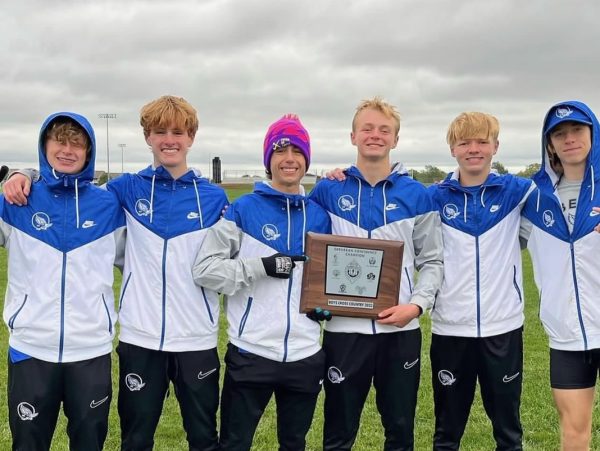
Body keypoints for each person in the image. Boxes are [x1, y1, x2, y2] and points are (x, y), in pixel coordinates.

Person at [4, 95, 229, 450]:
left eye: (177, 132)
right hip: (138, 338)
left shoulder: (215, 199)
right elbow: (64, 185)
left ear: (191, 138)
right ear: (147, 137)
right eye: (159, 131)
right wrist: (23, 173)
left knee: (203, 437)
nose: (169, 139)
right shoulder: (121, 192)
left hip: (196, 338)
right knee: (134, 440)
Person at [309, 97, 444, 450]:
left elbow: (432, 260)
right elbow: (310, 254)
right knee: (338, 431)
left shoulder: (418, 194)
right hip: (343, 331)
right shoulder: (327, 190)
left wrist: (415, 307)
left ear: (395, 140)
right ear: (353, 136)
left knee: (399, 431)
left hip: (399, 331)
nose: (375, 135)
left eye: (384, 130)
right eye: (367, 128)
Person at [192, 115, 331, 450]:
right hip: (251, 351)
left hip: (306, 353)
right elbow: (205, 270)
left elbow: (330, 278)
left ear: (306, 160)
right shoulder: (242, 210)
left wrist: (328, 308)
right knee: (235, 443)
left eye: (298, 151)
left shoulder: (320, 215)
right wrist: (260, 267)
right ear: (268, 158)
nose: (289, 158)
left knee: (294, 443)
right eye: (281, 150)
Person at [0, 113, 125, 450]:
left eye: (77, 143)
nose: (67, 150)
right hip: (31, 349)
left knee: (88, 442)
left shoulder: (109, 205)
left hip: (90, 351)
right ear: (45, 146)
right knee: (28, 444)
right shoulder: (16, 200)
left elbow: (143, 261)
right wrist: (16, 174)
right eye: (59, 141)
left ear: (89, 152)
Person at [428, 112, 535, 450]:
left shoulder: (519, 191)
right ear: (452, 149)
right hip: (450, 330)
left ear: (496, 146)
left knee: (508, 430)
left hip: (502, 329)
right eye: (464, 142)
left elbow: (566, 180)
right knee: (447, 431)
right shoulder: (433, 197)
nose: (473, 149)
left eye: (482, 141)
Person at [521, 100, 600, 451]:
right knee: (573, 431)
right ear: (549, 143)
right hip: (566, 336)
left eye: (577, 131)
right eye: (560, 134)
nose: (569, 139)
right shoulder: (532, 198)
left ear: (592, 134)